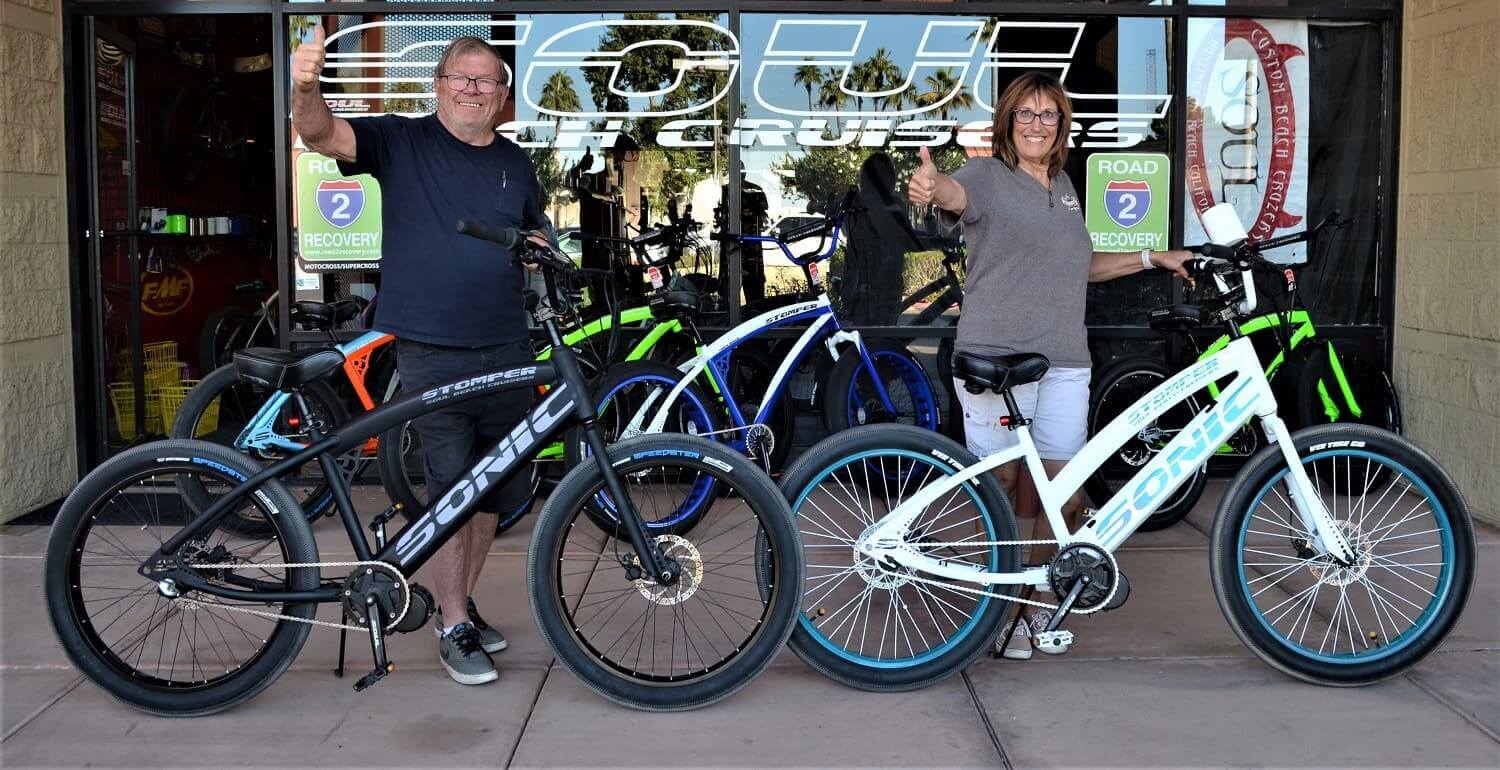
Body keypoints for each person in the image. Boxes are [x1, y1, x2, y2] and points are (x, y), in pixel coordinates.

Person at [907, 71, 1191, 660]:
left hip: (1065, 360)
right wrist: (935, 188)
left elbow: (1078, 265)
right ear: (1009, 122)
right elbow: (956, 196)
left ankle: (1035, 607)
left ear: (1062, 126)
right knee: (1006, 486)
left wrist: (1151, 257)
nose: (1038, 125)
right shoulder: (986, 175)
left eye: (1050, 115)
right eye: (1026, 114)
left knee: (1058, 494)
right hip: (996, 358)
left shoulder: (1063, 185)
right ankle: (999, 611)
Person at [292, 29, 546, 685]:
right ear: (439, 85)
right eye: (462, 77)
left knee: (492, 493)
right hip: (434, 345)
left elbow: (534, 224)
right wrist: (304, 85)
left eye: (486, 80)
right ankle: (452, 619)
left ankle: (458, 604)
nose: (473, 89)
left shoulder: (515, 163)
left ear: (501, 95)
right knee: (452, 488)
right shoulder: (401, 141)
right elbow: (321, 134)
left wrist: (545, 247)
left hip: (507, 345)